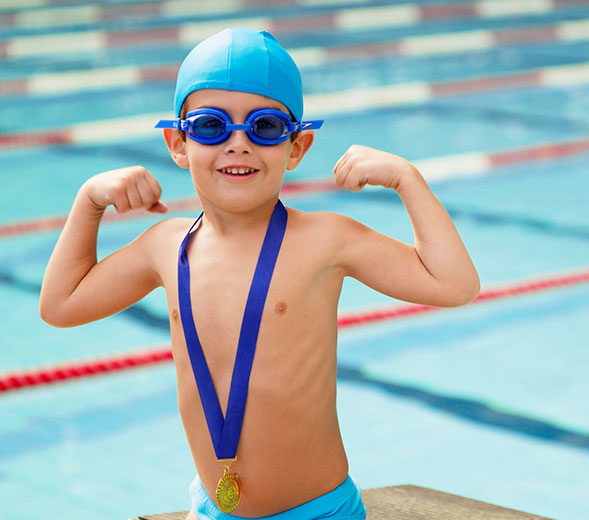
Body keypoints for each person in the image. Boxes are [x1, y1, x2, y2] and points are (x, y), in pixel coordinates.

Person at [39, 28, 479, 520]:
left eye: (265, 127)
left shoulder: (326, 239)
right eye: (211, 126)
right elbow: (61, 306)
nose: (238, 144)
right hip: (213, 509)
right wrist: (88, 203)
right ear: (178, 143)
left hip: (319, 511)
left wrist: (407, 181)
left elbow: (455, 285)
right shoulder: (165, 245)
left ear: (297, 147)